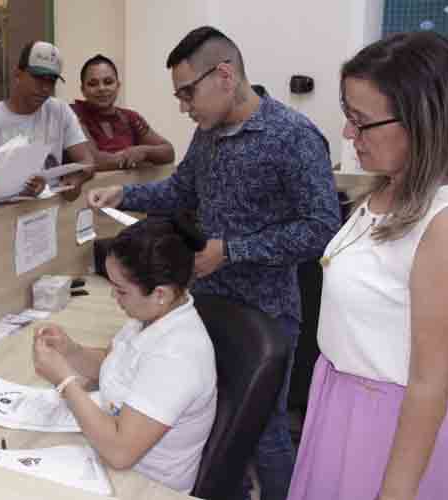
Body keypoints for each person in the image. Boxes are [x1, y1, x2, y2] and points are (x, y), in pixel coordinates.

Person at [88, 27, 340, 500]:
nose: (184, 105)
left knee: (263, 432)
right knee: (212, 423)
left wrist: (231, 250)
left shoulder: (294, 136)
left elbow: (321, 227)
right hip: (204, 305)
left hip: (266, 312)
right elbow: (180, 191)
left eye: (188, 92)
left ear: (224, 75)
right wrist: (125, 193)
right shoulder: (207, 135)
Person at [287, 32, 448, 500]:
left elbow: (429, 383)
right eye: (347, 118)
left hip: (393, 425)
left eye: (361, 122)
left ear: (422, 121)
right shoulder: (382, 192)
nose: (347, 134)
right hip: (339, 398)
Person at [32, 216, 216, 493]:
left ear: (160, 294)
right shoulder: (150, 316)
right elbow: (115, 367)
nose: (113, 298)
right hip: (113, 458)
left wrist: (64, 382)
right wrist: (71, 350)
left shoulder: (177, 357)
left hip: (145, 486)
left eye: (120, 290)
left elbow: (120, 453)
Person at [0, 41, 94, 201]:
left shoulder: (59, 111)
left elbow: (87, 160)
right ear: (18, 74)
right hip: (4, 218)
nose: (46, 88)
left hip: (51, 214)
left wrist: (77, 179)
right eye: (39, 79)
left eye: (51, 81)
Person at [71, 54, 175, 171]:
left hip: (129, 188)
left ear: (118, 86)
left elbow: (168, 152)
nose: (101, 88)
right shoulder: (73, 114)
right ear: (83, 90)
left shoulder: (130, 117)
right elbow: (93, 160)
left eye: (108, 82)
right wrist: (135, 159)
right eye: (93, 84)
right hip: (90, 189)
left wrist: (144, 151)